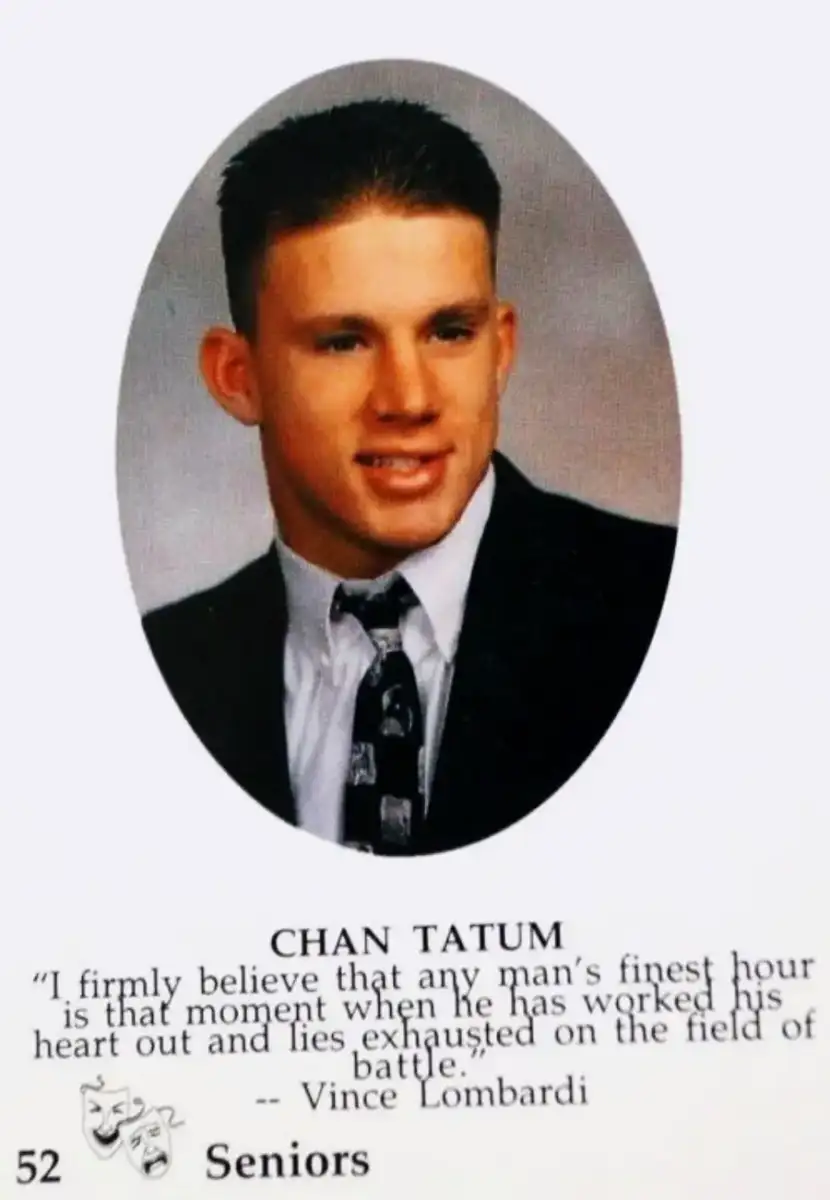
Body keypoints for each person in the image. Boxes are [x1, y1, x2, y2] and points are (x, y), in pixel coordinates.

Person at [142, 99, 677, 856]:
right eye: (343, 342)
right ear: (237, 377)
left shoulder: (669, 607)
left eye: (450, 332)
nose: (410, 398)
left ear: (500, 349)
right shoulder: (159, 674)